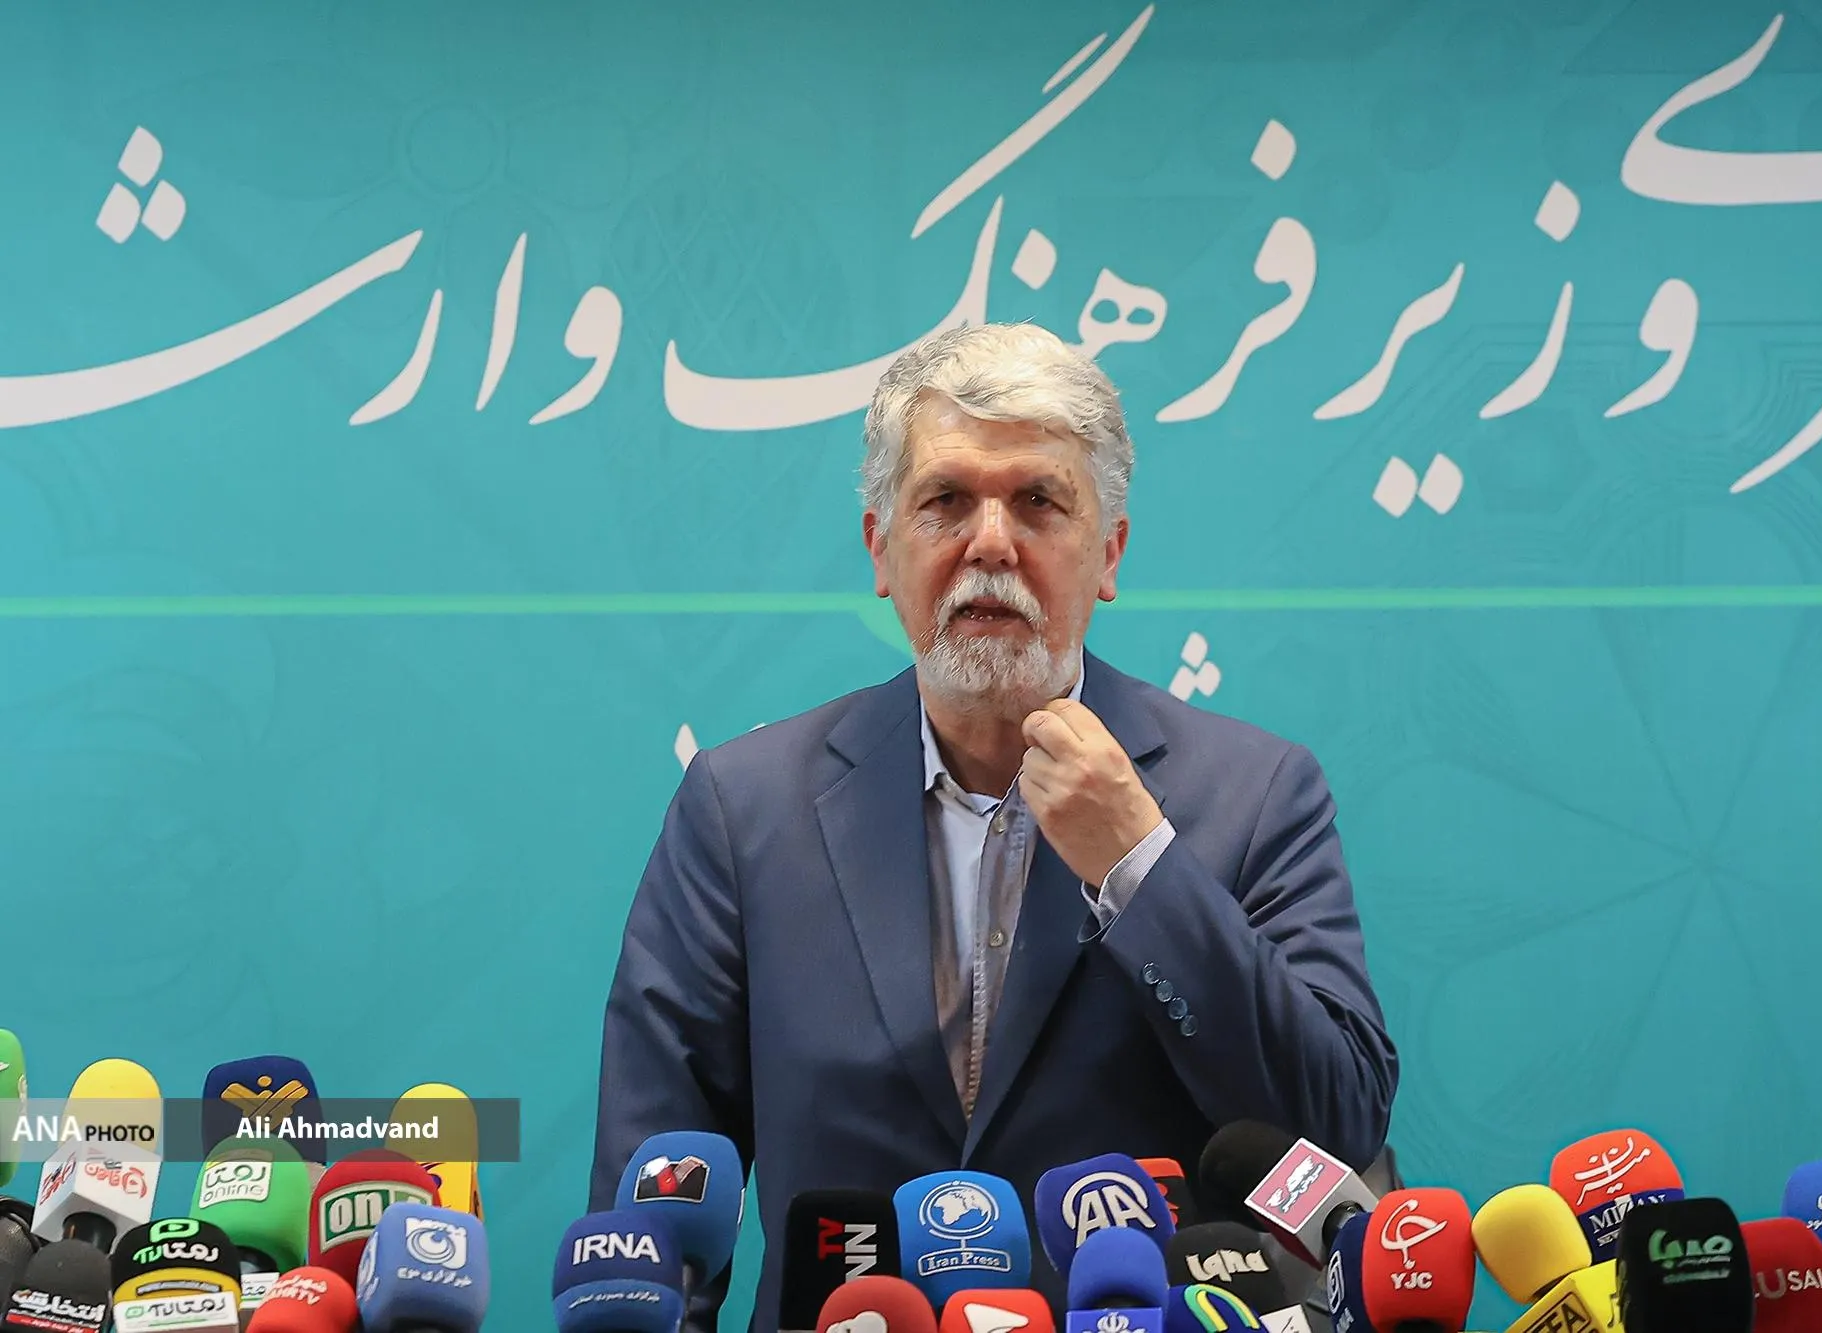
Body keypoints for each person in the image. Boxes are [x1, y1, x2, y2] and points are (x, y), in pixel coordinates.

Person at [590, 321, 1397, 1332]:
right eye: (945, 500)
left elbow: (1335, 1121)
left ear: (1108, 551)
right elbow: (649, 1214)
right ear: (881, 549)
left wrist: (1138, 863)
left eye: (1038, 501)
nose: (989, 543)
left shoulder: (1258, 793)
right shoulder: (742, 808)